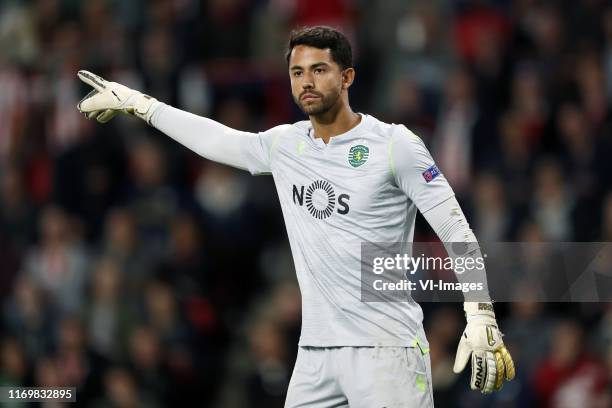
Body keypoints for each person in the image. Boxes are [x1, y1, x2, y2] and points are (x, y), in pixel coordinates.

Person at [77, 26, 514, 408]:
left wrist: (480, 315)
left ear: (347, 78)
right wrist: (142, 104)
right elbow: (218, 140)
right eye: (297, 72)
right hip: (316, 354)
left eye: (319, 70)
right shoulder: (286, 146)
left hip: (386, 350)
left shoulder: (394, 145)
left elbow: (456, 230)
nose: (306, 81)